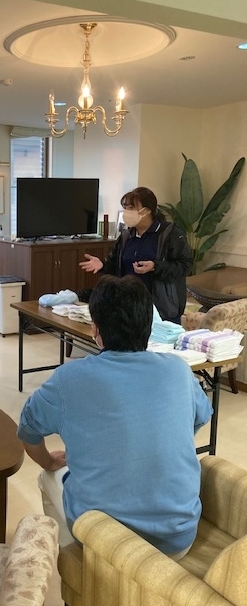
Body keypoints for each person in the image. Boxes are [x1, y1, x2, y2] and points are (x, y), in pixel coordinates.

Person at [17, 275, 212, 557]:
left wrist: (49, 461)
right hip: (178, 538)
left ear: (95, 329)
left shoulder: (68, 378)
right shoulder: (179, 370)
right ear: (150, 327)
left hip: (106, 542)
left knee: (47, 477)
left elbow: (28, 431)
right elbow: (201, 417)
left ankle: (79, 567)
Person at [79, 187, 192, 323]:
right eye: (125, 207)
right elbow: (116, 267)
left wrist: (155, 266)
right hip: (128, 306)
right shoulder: (126, 236)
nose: (127, 212)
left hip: (161, 307)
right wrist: (102, 265)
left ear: (147, 210)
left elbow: (185, 266)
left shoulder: (169, 233)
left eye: (131, 208)